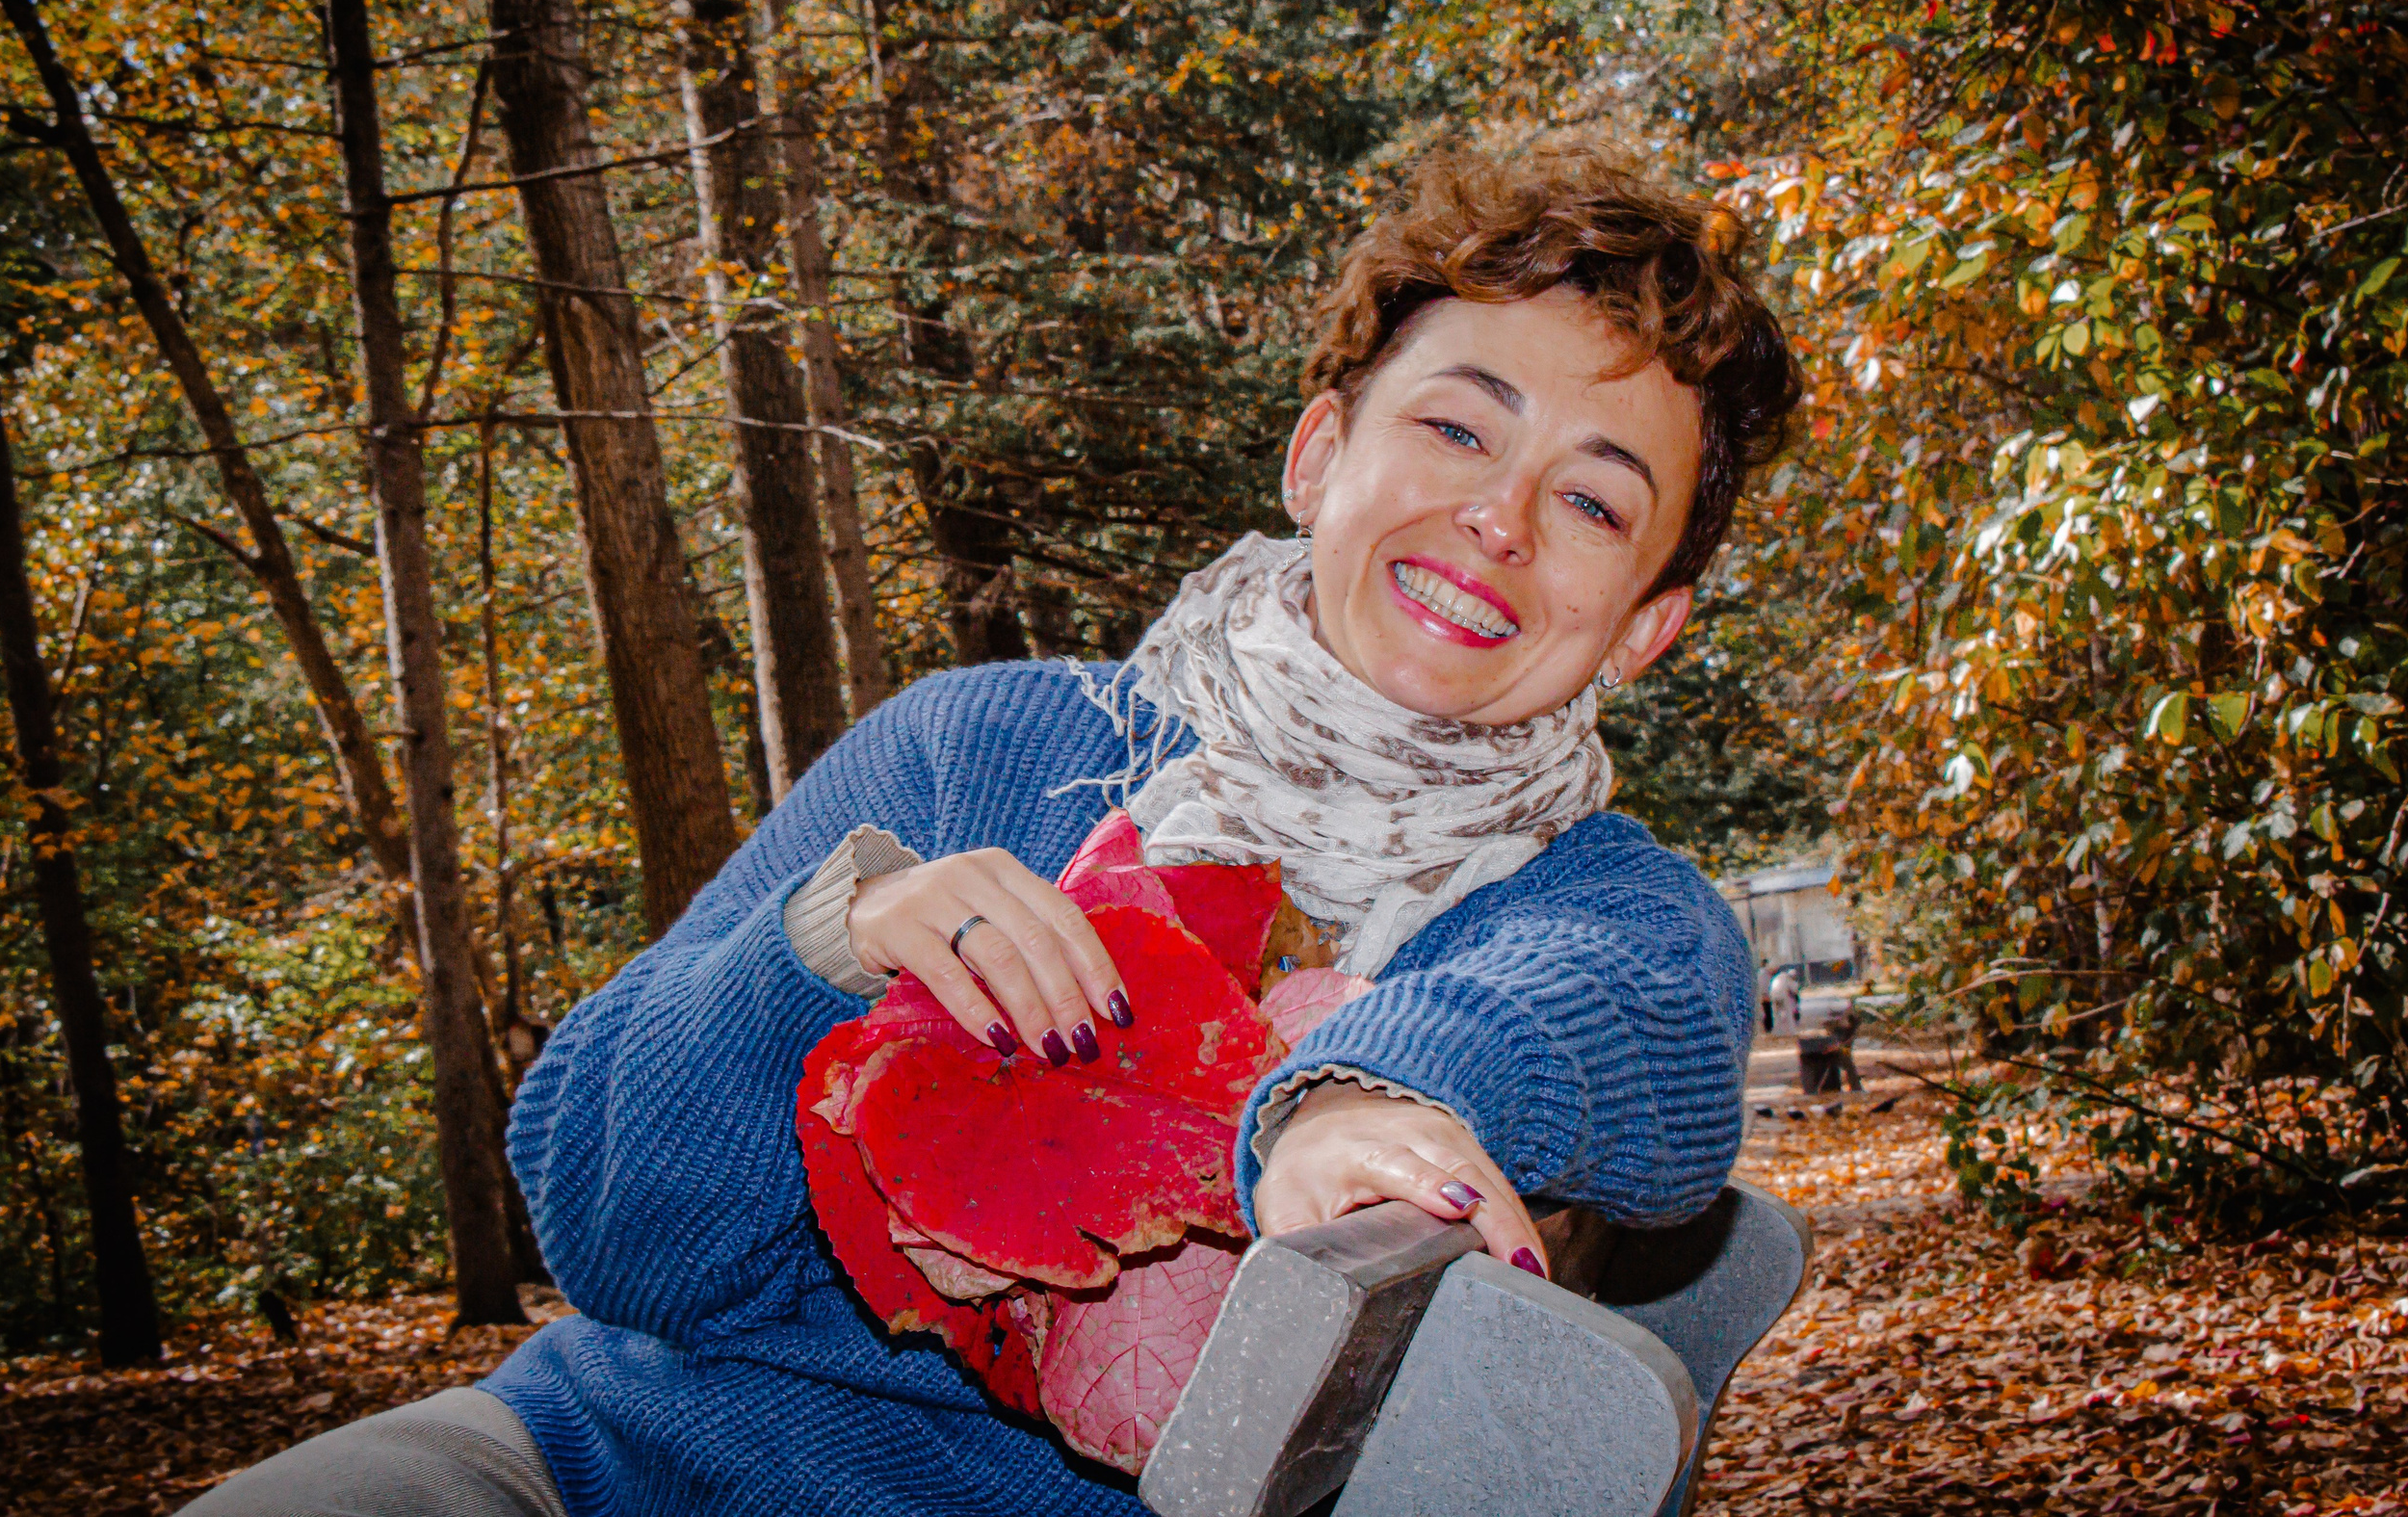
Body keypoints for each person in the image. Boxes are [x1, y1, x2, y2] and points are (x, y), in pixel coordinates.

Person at [183, 143, 1801, 1517]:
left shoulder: (1602, 910)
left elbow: (1592, 1021)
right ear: (1322, 455)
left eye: (1594, 499)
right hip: (601, 1462)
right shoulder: (990, 744)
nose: (1499, 519)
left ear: (1644, 625)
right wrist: (817, 950)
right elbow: (610, 1229)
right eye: (1458, 426)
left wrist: (1355, 1101)